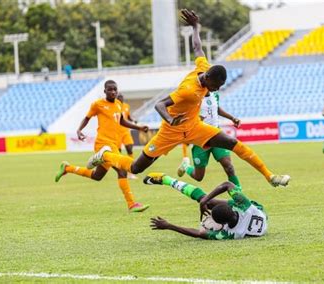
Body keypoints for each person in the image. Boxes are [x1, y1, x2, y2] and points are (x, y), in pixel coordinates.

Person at [87, 9, 290, 188]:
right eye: (215, 86)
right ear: (208, 78)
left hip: (194, 126)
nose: (215, 90)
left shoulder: (204, 68)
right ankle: (105, 155)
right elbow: (160, 104)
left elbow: (197, 47)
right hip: (170, 132)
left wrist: (195, 26)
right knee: (136, 167)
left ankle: (270, 176)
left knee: (233, 143)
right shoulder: (188, 90)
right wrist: (170, 119)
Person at [54, 80, 149, 213]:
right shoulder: (98, 104)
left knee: (97, 176)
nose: (113, 92)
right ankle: (131, 204)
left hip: (113, 144)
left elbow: (122, 121)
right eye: (110, 90)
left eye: (115, 89)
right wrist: (79, 130)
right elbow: (87, 118)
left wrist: (138, 127)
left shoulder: (118, 104)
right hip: (103, 144)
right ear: (104, 91)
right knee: (122, 170)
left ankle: (67, 168)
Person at [144, 173, 267, 240]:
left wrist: (169, 226)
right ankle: (168, 180)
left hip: (257, 220)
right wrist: (204, 202)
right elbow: (227, 184)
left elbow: (199, 233)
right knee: (207, 201)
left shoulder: (229, 234)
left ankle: (168, 180)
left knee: (207, 201)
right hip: (259, 213)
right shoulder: (244, 207)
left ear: (221, 225)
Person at [177, 91, 241, 187]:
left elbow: (216, 109)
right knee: (199, 176)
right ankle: (186, 167)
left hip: (216, 135)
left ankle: (238, 192)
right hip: (200, 139)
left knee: (229, 166)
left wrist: (232, 118)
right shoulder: (195, 98)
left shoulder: (215, 95)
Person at [117, 93, 138, 179]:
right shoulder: (114, 106)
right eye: (119, 98)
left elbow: (127, 117)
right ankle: (121, 171)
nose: (120, 99)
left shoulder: (126, 106)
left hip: (125, 131)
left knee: (130, 149)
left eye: (121, 97)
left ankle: (130, 172)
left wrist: (133, 121)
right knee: (118, 153)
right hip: (116, 132)